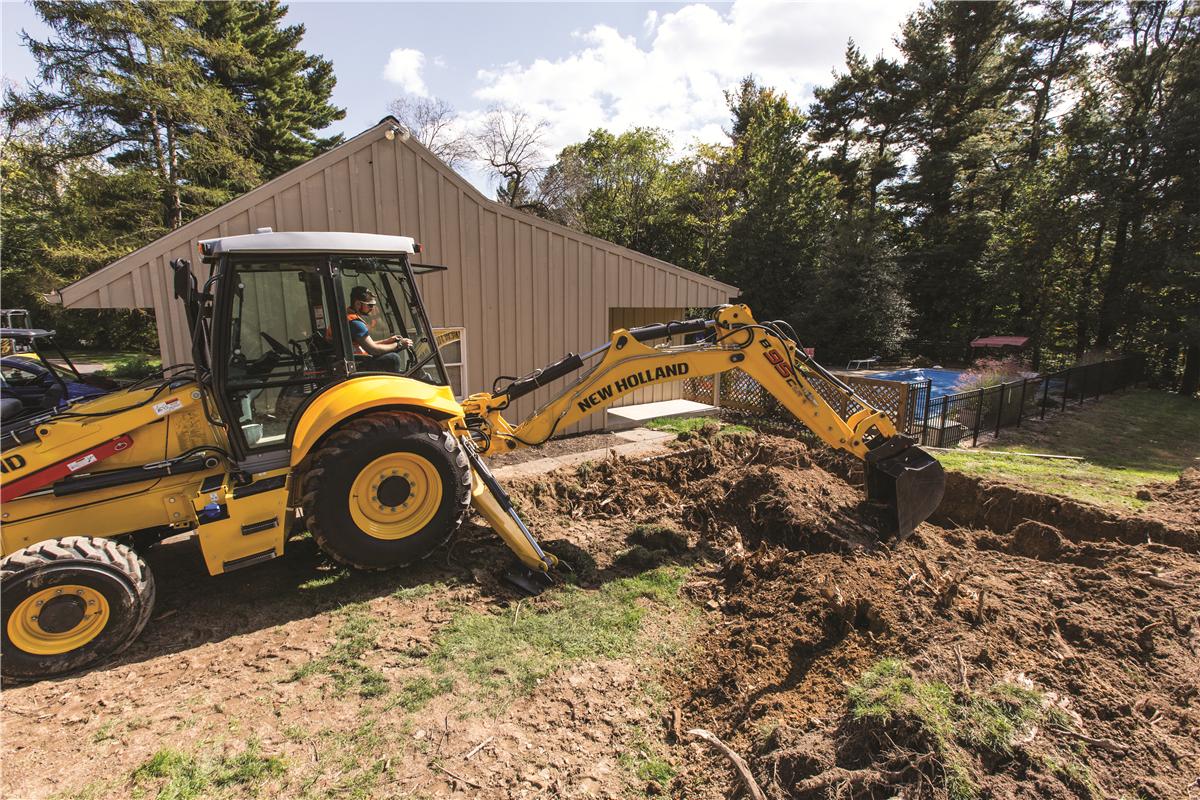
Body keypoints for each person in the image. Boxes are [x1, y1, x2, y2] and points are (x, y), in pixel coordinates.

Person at [346, 286, 413, 373]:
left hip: (355, 359)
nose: (372, 308)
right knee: (393, 358)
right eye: (370, 305)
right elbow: (373, 350)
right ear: (358, 304)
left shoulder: (347, 317)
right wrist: (399, 345)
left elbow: (364, 345)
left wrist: (388, 341)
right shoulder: (355, 323)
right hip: (357, 364)